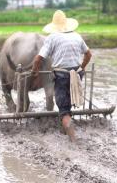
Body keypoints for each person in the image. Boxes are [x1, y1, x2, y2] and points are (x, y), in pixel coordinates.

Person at [32, 10, 92, 142]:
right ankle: (66, 126)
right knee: (69, 104)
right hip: (76, 75)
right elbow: (88, 55)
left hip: (62, 76)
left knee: (63, 109)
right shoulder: (77, 36)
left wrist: (34, 72)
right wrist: (81, 68)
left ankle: (72, 137)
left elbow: (38, 59)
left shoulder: (52, 38)